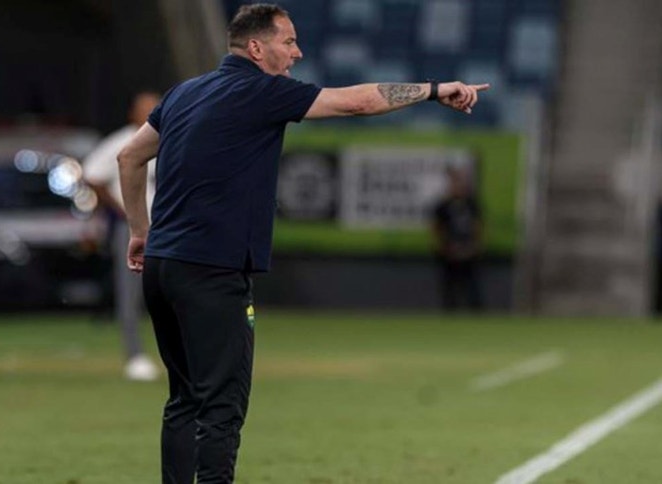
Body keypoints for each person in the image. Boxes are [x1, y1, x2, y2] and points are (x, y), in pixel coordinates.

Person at [118, 4, 489, 482]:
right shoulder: (260, 91)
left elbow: (130, 157)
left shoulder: (184, 93)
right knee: (222, 405)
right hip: (212, 269)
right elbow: (357, 102)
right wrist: (435, 90)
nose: (297, 53)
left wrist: (140, 231)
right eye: (288, 42)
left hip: (163, 266)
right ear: (257, 48)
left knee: (184, 400)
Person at [83, 92, 161, 382]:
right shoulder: (122, 141)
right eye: (144, 108)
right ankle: (134, 355)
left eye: (155, 107)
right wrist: (124, 210)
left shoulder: (171, 138)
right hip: (133, 230)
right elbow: (92, 175)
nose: (150, 112)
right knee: (130, 293)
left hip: (168, 229)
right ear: (132, 113)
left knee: (173, 292)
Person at [432, 167, 484, 310]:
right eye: (455, 183)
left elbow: (478, 226)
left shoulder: (471, 204)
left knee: (472, 286)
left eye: (460, 182)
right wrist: (445, 247)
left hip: (469, 251)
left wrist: (474, 246)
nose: (458, 186)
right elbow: (437, 228)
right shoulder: (443, 206)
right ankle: (450, 312)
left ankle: (476, 313)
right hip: (449, 251)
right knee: (449, 286)